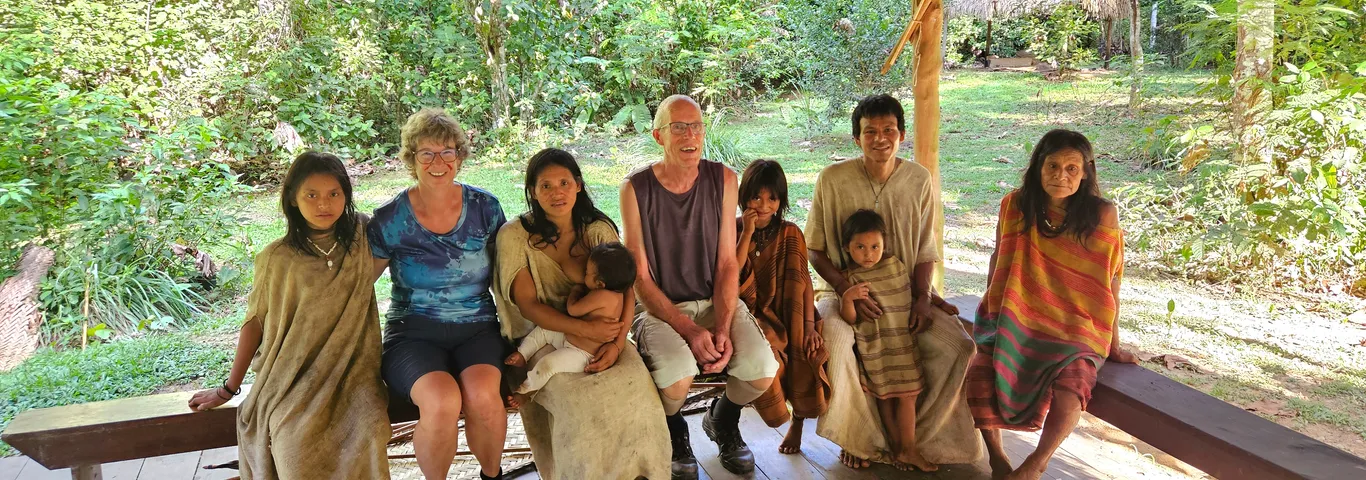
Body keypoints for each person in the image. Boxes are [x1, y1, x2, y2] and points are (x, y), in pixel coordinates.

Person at [188, 151, 390, 479]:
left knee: (369, 428)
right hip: (291, 377)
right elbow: (255, 322)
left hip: (354, 373)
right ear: (293, 199)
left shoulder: (362, 234)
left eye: (334, 194)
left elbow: (409, 229)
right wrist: (228, 388)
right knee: (292, 442)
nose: (324, 204)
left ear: (346, 195)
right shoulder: (277, 258)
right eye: (311, 195)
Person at [805, 93, 981, 468]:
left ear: (902, 135)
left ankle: (919, 439)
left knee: (959, 346)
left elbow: (925, 248)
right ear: (857, 138)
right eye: (870, 131)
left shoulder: (918, 179)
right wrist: (845, 290)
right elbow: (815, 250)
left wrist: (923, 298)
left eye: (889, 130)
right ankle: (858, 438)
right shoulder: (832, 179)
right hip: (842, 291)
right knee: (838, 341)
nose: (880, 138)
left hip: (905, 294)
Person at [622, 94, 779, 479]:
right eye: (678, 127)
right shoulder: (635, 188)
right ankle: (675, 429)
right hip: (659, 308)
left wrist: (721, 326)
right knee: (677, 378)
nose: (689, 135)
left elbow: (727, 263)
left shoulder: (723, 180)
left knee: (761, 371)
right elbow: (639, 277)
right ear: (659, 136)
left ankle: (722, 419)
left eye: (696, 127)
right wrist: (690, 331)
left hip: (714, 300)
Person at [967, 129, 1137, 480]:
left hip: (1078, 327)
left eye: (1072, 168)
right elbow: (999, 257)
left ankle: (1036, 464)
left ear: (1086, 172)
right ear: (1038, 167)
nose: (1061, 176)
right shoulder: (1015, 205)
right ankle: (998, 460)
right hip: (1018, 315)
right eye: (1053, 166)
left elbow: (1110, 281)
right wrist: (995, 313)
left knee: (1072, 387)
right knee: (980, 374)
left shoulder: (1103, 215)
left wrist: (1114, 345)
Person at [493, 147, 670, 480]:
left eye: (564, 183)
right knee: (582, 410)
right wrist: (583, 330)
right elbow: (528, 305)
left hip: (605, 334)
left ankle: (645, 473)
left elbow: (626, 289)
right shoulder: (515, 236)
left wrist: (616, 344)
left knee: (640, 397)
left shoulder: (597, 230)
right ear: (532, 191)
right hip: (541, 337)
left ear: (578, 184)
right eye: (546, 186)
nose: (556, 193)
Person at [368, 107, 508, 480]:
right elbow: (357, 286)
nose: (438, 162)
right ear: (410, 158)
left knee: (484, 397)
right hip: (412, 333)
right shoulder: (390, 219)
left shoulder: (486, 208)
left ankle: (491, 475)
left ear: (460, 156)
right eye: (426, 153)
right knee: (442, 401)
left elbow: (509, 274)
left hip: (477, 327)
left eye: (447, 152)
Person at [732, 159, 829, 455]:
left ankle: (797, 421)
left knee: (805, 350)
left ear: (780, 200)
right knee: (770, 355)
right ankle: (756, 418)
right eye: (756, 197)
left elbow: (803, 283)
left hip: (790, 312)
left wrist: (809, 326)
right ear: (744, 197)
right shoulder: (732, 230)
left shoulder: (790, 233)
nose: (764, 205)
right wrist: (747, 234)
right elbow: (731, 275)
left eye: (772, 198)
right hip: (748, 314)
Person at [837, 209, 935, 472]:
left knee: (907, 397)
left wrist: (936, 301)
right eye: (860, 247)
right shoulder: (850, 279)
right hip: (876, 349)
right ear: (846, 247)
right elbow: (850, 319)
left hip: (902, 346)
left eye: (875, 247)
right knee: (886, 398)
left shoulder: (895, 266)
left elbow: (913, 291)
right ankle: (900, 447)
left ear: (885, 245)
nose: (868, 254)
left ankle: (906, 448)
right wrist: (848, 298)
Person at [505, 242, 635, 396]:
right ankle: (523, 354)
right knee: (544, 329)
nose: (584, 275)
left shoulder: (601, 296)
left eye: (586, 272)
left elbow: (573, 310)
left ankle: (526, 390)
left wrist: (575, 291)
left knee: (548, 364)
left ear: (600, 284)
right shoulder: (619, 294)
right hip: (571, 336)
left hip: (582, 354)